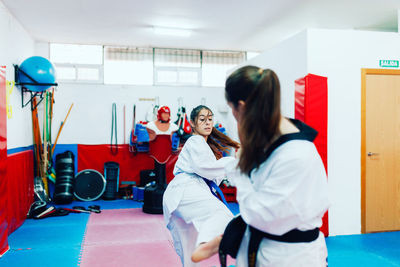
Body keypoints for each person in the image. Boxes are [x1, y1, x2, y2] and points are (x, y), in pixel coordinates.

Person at [191, 66, 330, 267]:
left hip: (288, 258)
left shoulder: (295, 154)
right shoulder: (271, 142)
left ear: (242, 107)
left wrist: (238, 169)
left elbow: (260, 216)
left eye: (232, 111)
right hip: (266, 249)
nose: (235, 117)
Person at [163, 105, 240, 267]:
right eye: (202, 119)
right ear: (192, 123)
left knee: (189, 251)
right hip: (185, 190)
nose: (207, 123)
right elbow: (205, 168)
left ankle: (205, 246)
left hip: (180, 195)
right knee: (222, 214)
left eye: (210, 119)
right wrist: (236, 163)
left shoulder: (206, 147)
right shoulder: (195, 140)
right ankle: (211, 244)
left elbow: (213, 176)